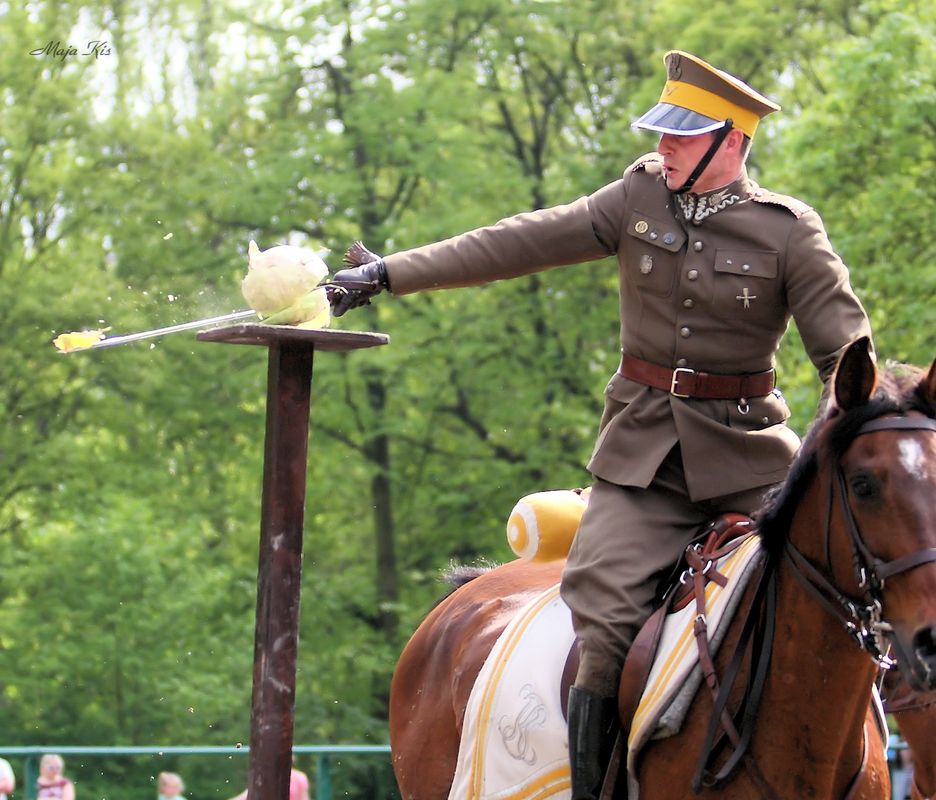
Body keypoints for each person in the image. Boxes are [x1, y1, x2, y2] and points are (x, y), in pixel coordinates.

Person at [332, 49, 872, 799]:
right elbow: (519, 241)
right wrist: (390, 272)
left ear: (733, 142)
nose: (664, 145)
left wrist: (855, 441)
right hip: (644, 464)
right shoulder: (637, 198)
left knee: (847, 600)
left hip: (753, 466)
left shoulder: (788, 234)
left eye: (683, 135)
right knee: (603, 627)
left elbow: (848, 360)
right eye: (662, 130)